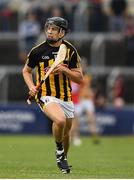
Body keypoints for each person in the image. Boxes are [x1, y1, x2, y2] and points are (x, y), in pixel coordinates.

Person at [22, 16, 83, 174]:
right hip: (45, 95)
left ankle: (63, 158)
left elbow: (79, 78)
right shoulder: (37, 51)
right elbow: (26, 71)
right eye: (48, 28)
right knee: (60, 120)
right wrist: (31, 86)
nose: (49, 31)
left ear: (62, 32)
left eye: (54, 29)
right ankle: (59, 151)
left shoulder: (70, 51)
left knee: (66, 133)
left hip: (66, 97)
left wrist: (65, 70)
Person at [71, 60, 99, 145]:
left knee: (91, 118)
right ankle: (75, 137)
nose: (82, 67)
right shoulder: (75, 76)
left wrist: (92, 92)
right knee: (75, 120)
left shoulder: (88, 77)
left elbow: (92, 88)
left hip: (86, 100)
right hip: (78, 100)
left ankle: (94, 137)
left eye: (83, 65)